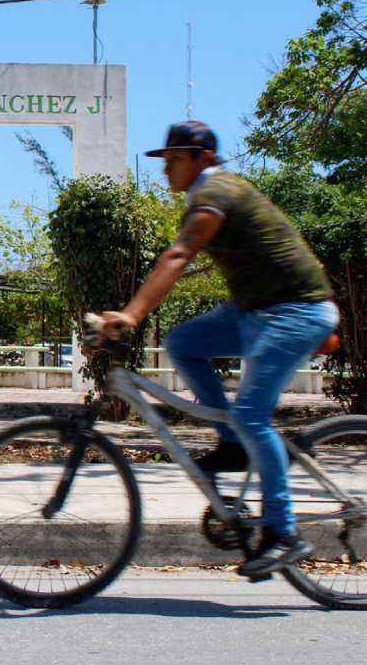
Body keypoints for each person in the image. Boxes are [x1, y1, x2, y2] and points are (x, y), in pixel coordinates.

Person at [100, 121, 339, 577]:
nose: (166, 169)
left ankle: (282, 533)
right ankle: (233, 446)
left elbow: (178, 256)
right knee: (184, 342)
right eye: (165, 160)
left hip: (296, 312)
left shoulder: (217, 196)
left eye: (175, 159)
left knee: (252, 413)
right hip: (254, 311)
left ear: (203, 158)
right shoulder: (203, 198)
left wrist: (131, 314)